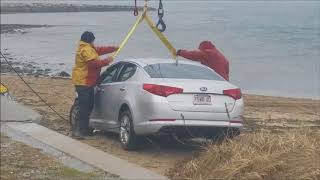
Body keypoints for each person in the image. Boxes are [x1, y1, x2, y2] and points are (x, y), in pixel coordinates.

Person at [71, 31, 118, 139]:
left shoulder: (88, 48)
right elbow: (93, 64)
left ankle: (85, 129)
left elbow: (99, 50)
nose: (94, 42)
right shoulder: (85, 49)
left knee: (89, 105)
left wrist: (113, 48)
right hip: (83, 82)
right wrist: (107, 61)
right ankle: (77, 130)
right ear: (90, 40)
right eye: (93, 40)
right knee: (84, 106)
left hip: (88, 82)